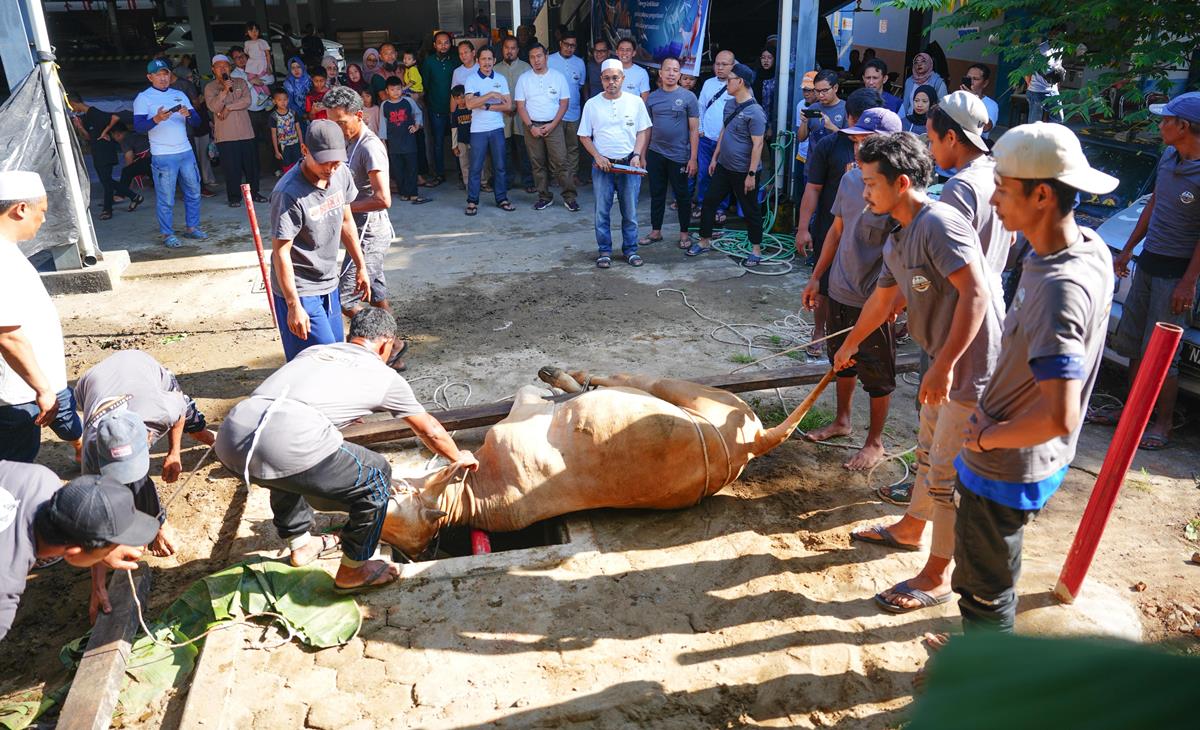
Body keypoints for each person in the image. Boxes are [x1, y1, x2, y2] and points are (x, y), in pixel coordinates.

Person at [949, 122, 1118, 634]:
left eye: (1002, 187)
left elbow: (1058, 414)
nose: (994, 198)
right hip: (1017, 457)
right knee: (991, 575)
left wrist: (986, 435)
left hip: (1006, 464)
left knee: (984, 591)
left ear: (1042, 194)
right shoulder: (1086, 247)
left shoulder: (1060, 287)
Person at [833, 132, 1001, 615]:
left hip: (969, 367)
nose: (864, 192)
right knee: (928, 454)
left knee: (946, 474)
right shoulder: (899, 233)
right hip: (942, 362)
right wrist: (849, 344)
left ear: (902, 182)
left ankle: (938, 574)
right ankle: (910, 529)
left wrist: (946, 365)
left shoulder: (940, 223)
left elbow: (977, 294)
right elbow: (885, 299)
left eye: (870, 183)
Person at [214, 308, 479, 592]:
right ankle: (354, 570)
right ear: (385, 344)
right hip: (285, 439)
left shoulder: (315, 352)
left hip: (232, 439)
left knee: (284, 463)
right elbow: (430, 430)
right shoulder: (385, 376)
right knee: (376, 473)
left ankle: (300, 544)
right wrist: (459, 457)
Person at [801, 108, 903, 471]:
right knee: (840, 361)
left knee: (877, 373)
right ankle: (842, 420)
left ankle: (875, 441)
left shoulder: (901, 194)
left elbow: (906, 256)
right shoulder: (848, 181)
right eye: (856, 140)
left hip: (874, 298)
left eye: (866, 141)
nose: (857, 147)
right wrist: (818, 277)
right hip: (841, 288)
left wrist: (898, 301)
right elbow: (836, 230)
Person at [1111, 92, 1200, 451]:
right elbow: (1153, 207)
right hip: (1147, 264)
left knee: (1163, 354)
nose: (1159, 125)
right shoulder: (1167, 157)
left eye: (1166, 120)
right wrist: (1130, 247)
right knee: (1134, 344)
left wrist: (1188, 283)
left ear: (1184, 126)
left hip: (1176, 275)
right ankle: (1135, 415)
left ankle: (1163, 424)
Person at [1, 465, 158, 641]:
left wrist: (100, 551)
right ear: (73, 552)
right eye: (113, 546)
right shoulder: (5, 592)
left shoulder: (39, 478)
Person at [269, 120, 370, 361]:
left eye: (336, 162)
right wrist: (294, 305)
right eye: (324, 162)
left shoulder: (341, 173)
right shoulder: (288, 193)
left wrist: (361, 265)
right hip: (300, 287)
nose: (331, 169)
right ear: (305, 151)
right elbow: (281, 252)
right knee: (316, 359)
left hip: (328, 280)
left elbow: (347, 221)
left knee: (336, 348)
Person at [0, 172, 82, 464]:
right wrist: (42, 389)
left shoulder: (9, 253)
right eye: (41, 212)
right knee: (15, 468)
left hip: (31, 383)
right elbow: (7, 335)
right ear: (20, 209)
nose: (44, 220)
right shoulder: (3, 261)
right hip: (18, 393)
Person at [794, 88, 883, 351]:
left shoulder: (887, 152)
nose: (860, 147)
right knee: (823, 282)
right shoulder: (830, 145)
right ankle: (821, 331)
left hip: (871, 231)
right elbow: (813, 188)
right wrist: (802, 227)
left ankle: (861, 334)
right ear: (850, 118)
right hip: (832, 226)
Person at [325, 86, 398, 324]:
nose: (336, 129)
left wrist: (340, 207)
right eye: (331, 123)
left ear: (359, 115)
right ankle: (391, 347)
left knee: (343, 299)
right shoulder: (347, 140)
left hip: (370, 232)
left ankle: (389, 343)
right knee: (376, 293)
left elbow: (383, 199)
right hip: (358, 230)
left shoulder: (369, 146)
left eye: (341, 122)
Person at [689, 63, 767, 266]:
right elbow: (725, 131)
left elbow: (758, 144)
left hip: (744, 172)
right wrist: (715, 157)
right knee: (709, 202)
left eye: (729, 79)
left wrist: (751, 174)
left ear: (740, 82)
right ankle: (704, 241)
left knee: (751, 210)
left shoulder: (756, 112)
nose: (726, 84)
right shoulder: (730, 104)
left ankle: (756, 250)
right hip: (724, 166)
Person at [578, 59, 652, 268]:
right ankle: (604, 251)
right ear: (601, 79)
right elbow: (584, 136)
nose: (611, 82)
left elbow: (642, 130)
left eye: (615, 78)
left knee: (630, 211)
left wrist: (637, 154)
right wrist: (598, 157)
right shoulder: (592, 104)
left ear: (623, 79)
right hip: (603, 166)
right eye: (607, 78)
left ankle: (631, 250)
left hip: (628, 164)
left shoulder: (635, 102)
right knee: (602, 210)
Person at [134, 58, 208, 248]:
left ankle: (192, 227)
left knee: (194, 191)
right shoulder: (143, 98)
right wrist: (157, 119)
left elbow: (198, 122)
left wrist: (189, 115)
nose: (163, 78)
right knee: (166, 197)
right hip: (163, 154)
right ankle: (167, 234)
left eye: (165, 73)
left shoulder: (179, 94)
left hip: (185, 151)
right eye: (158, 75)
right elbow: (139, 127)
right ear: (149, 77)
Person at [642, 55, 698, 247]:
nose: (671, 74)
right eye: (667, 69)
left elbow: (693, 130)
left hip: (679, 156)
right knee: (656, 193)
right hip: (655, 153)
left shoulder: (688, 97)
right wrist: (641, 155)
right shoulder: (652, 98)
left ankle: (684, 234)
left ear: (680, 74)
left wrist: (693, 158)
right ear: (660, 72)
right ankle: (655, 231)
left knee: (682, 196)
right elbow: (646, 129)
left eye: (675, 70)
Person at [516, 43, 573, 211]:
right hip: (531, 126)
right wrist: (531, 126)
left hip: (553, 124)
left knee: (561, 162)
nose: (536, 60)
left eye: (539, 56)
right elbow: (520, 106)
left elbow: (564, 103)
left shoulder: (558, 77)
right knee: (537, 163)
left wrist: (553, 124)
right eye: (532, 57)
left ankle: (569, 196)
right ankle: (544, 196)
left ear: (546, 57)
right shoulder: (524, 78)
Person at [205, 54, 265, 207]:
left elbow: (247, 101)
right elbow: (214, 107)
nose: (223, 69)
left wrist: (229, 107)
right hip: (226, 135)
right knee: (232, 168)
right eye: (219, 67)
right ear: (213, 69)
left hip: (246, 132)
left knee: (251, 166)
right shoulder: (210, 87)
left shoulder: (240, 82)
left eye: (225, 66)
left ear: (230, 68)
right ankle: (234, 198)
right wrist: (224, 91)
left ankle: (255, 193)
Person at [70, 96, 143, 219]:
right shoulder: (86, 118)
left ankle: (107, 210)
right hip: (97, 151)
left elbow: (115, 118)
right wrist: (80, 126)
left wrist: (105, 132)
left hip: (105, 151)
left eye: (71, 105)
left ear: (74, 102)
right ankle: (134, 197)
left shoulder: (93, 112)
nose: (72, 109)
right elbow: (89, 137)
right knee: (106, 180)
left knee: (106, 182)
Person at [464, 46, 515, 216]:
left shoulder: (501, 78)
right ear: (477, 61)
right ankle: (472, 201)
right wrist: (491, 94)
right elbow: (470, 104)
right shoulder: (471, 79)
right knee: (476, 167)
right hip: (478, 130)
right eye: (483, 59)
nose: (487, 63)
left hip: (497, 128)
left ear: (494, 61)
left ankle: (502, 199)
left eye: (490, 59)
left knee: (500, 166)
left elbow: (508, 105)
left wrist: (485, 105)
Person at [695, 51, 736, 222]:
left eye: (724, 64)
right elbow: (700, 107)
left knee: (722, 175)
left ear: (733, 66)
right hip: (706, 138)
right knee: (704, 173)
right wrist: (701, 128)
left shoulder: (737, 85)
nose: (719, 67)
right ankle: (702, 204)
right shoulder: (708, 83)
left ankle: (720, 207)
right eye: (717, 64)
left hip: (726, 141)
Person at [548, 32, 588, 195]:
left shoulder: (579, 63)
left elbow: (581, 85)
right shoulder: (549, 60)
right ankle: (556, 176)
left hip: (574, 111)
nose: (569, 48)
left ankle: (571, 176)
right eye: (566, 44)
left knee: (572, 146)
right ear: (560, 43)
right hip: (554, 113)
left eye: (573, 46)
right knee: (555, 148)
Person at [379, 77, 428, 206]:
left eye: (398, 89)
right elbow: (383, 124)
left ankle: (413, 193)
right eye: (392, 89)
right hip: (394, 144)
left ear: (402, 89)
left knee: (411, 168)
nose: (396, 92)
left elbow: (418, 113)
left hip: (409, 141)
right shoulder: (385, 105)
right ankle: (403, 193)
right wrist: (383, 141)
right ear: (387, 91)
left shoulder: (408, 101)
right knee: (398, 169)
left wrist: (417, 126)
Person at [420, 31, 460, 186]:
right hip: (436, 107)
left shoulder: (456, 60)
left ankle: (461, 173)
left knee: (458, 141)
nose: (443, 46)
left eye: (446, 42)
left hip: (455, 109)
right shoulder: (429, 62)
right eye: (440, 43)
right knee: (437, 142)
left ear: (451, 44)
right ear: (434, 45)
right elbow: (426, 85)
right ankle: (439, 174)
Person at [497, 37, 534, 194]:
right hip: (501, 116)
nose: (509, 51)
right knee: (504, 151)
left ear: (518, 50)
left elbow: (531, 93)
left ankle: (529, 181)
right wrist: (503, 107)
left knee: (524, 150)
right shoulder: (496, 69)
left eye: (513, 48)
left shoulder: (526, 68)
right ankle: (508, 181)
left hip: (522, 116)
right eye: (507, 47)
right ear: (502, 49)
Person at [797, 69, 848, 151]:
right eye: (817, 91)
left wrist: (832, 128)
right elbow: (800, 138)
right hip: (813, 161)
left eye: (825, 90)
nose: (820, 95)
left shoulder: (846, 108)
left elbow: (849, 141)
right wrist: (804, 122)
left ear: (835, 88)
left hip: (835, 162)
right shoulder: (813, 107)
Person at [110, 123, 153, 199]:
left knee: (126, 171)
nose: (113, 139)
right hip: (157, 158)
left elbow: (129, 159)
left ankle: (121, 194)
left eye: (113, 136)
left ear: (117, 134)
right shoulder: (136, 134)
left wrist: (128, 183)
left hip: (149, 160)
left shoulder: (125, 140)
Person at [1025, 40, 1064, 123]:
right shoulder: (1040, 49)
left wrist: (1057, 89)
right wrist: (1030, 86)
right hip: (1037, 91)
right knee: (1034, 123)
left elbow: (1058, 69)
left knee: (1059, 119)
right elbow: (1027, 70)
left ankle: (1049, 135)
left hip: (1053, 90)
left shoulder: (1061, 48)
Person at [903, 52, 948, 116]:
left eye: (923, 61)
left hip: (929, 121)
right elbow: (905, 104)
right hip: (910, 118)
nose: (919, 64)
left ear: (929, 63)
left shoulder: (938, 82)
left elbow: (944, 106)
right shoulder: (909, 81)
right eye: (916, 62)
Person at [960, 63, 998, 137]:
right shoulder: (956, 98)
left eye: (976, 79)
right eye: (968, 78)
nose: (971, 82)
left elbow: (986, 127)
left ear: (985, 83)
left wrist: (975, 100)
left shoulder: (991, 104)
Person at [270, 87, 302, 173]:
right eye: (279, 100)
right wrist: (276, 151)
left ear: (288, 100)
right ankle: (288, 181)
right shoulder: (273, 116)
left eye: (285, 99)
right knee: (286, 165)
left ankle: (297, 182)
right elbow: (273, 134)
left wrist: (302, 144)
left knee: (298, 164)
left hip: (295, 143)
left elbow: (298, 129)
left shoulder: (293, 113)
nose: (283, 102)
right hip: (283, 146)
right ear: (274, 101)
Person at [450, 84, 474, 189]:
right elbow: (454, 130)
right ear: (454, 100)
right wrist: (454, 146)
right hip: (461, 141)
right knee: (464, 164)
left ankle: (482, 182)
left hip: (474, 140)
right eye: (457, 98)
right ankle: (468, 184)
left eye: (463, 97)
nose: (461, 100)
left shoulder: (472, 110)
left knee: (478, 162)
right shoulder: (455, 114)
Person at [283, 56, 312, 123]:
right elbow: (290, 103)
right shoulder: (288, 83)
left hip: (312, 112)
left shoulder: (309, 79)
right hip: (297, 115)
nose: (296, 70)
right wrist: (302, 114)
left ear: (302, 67)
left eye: (298, 67)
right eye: (293, 68)